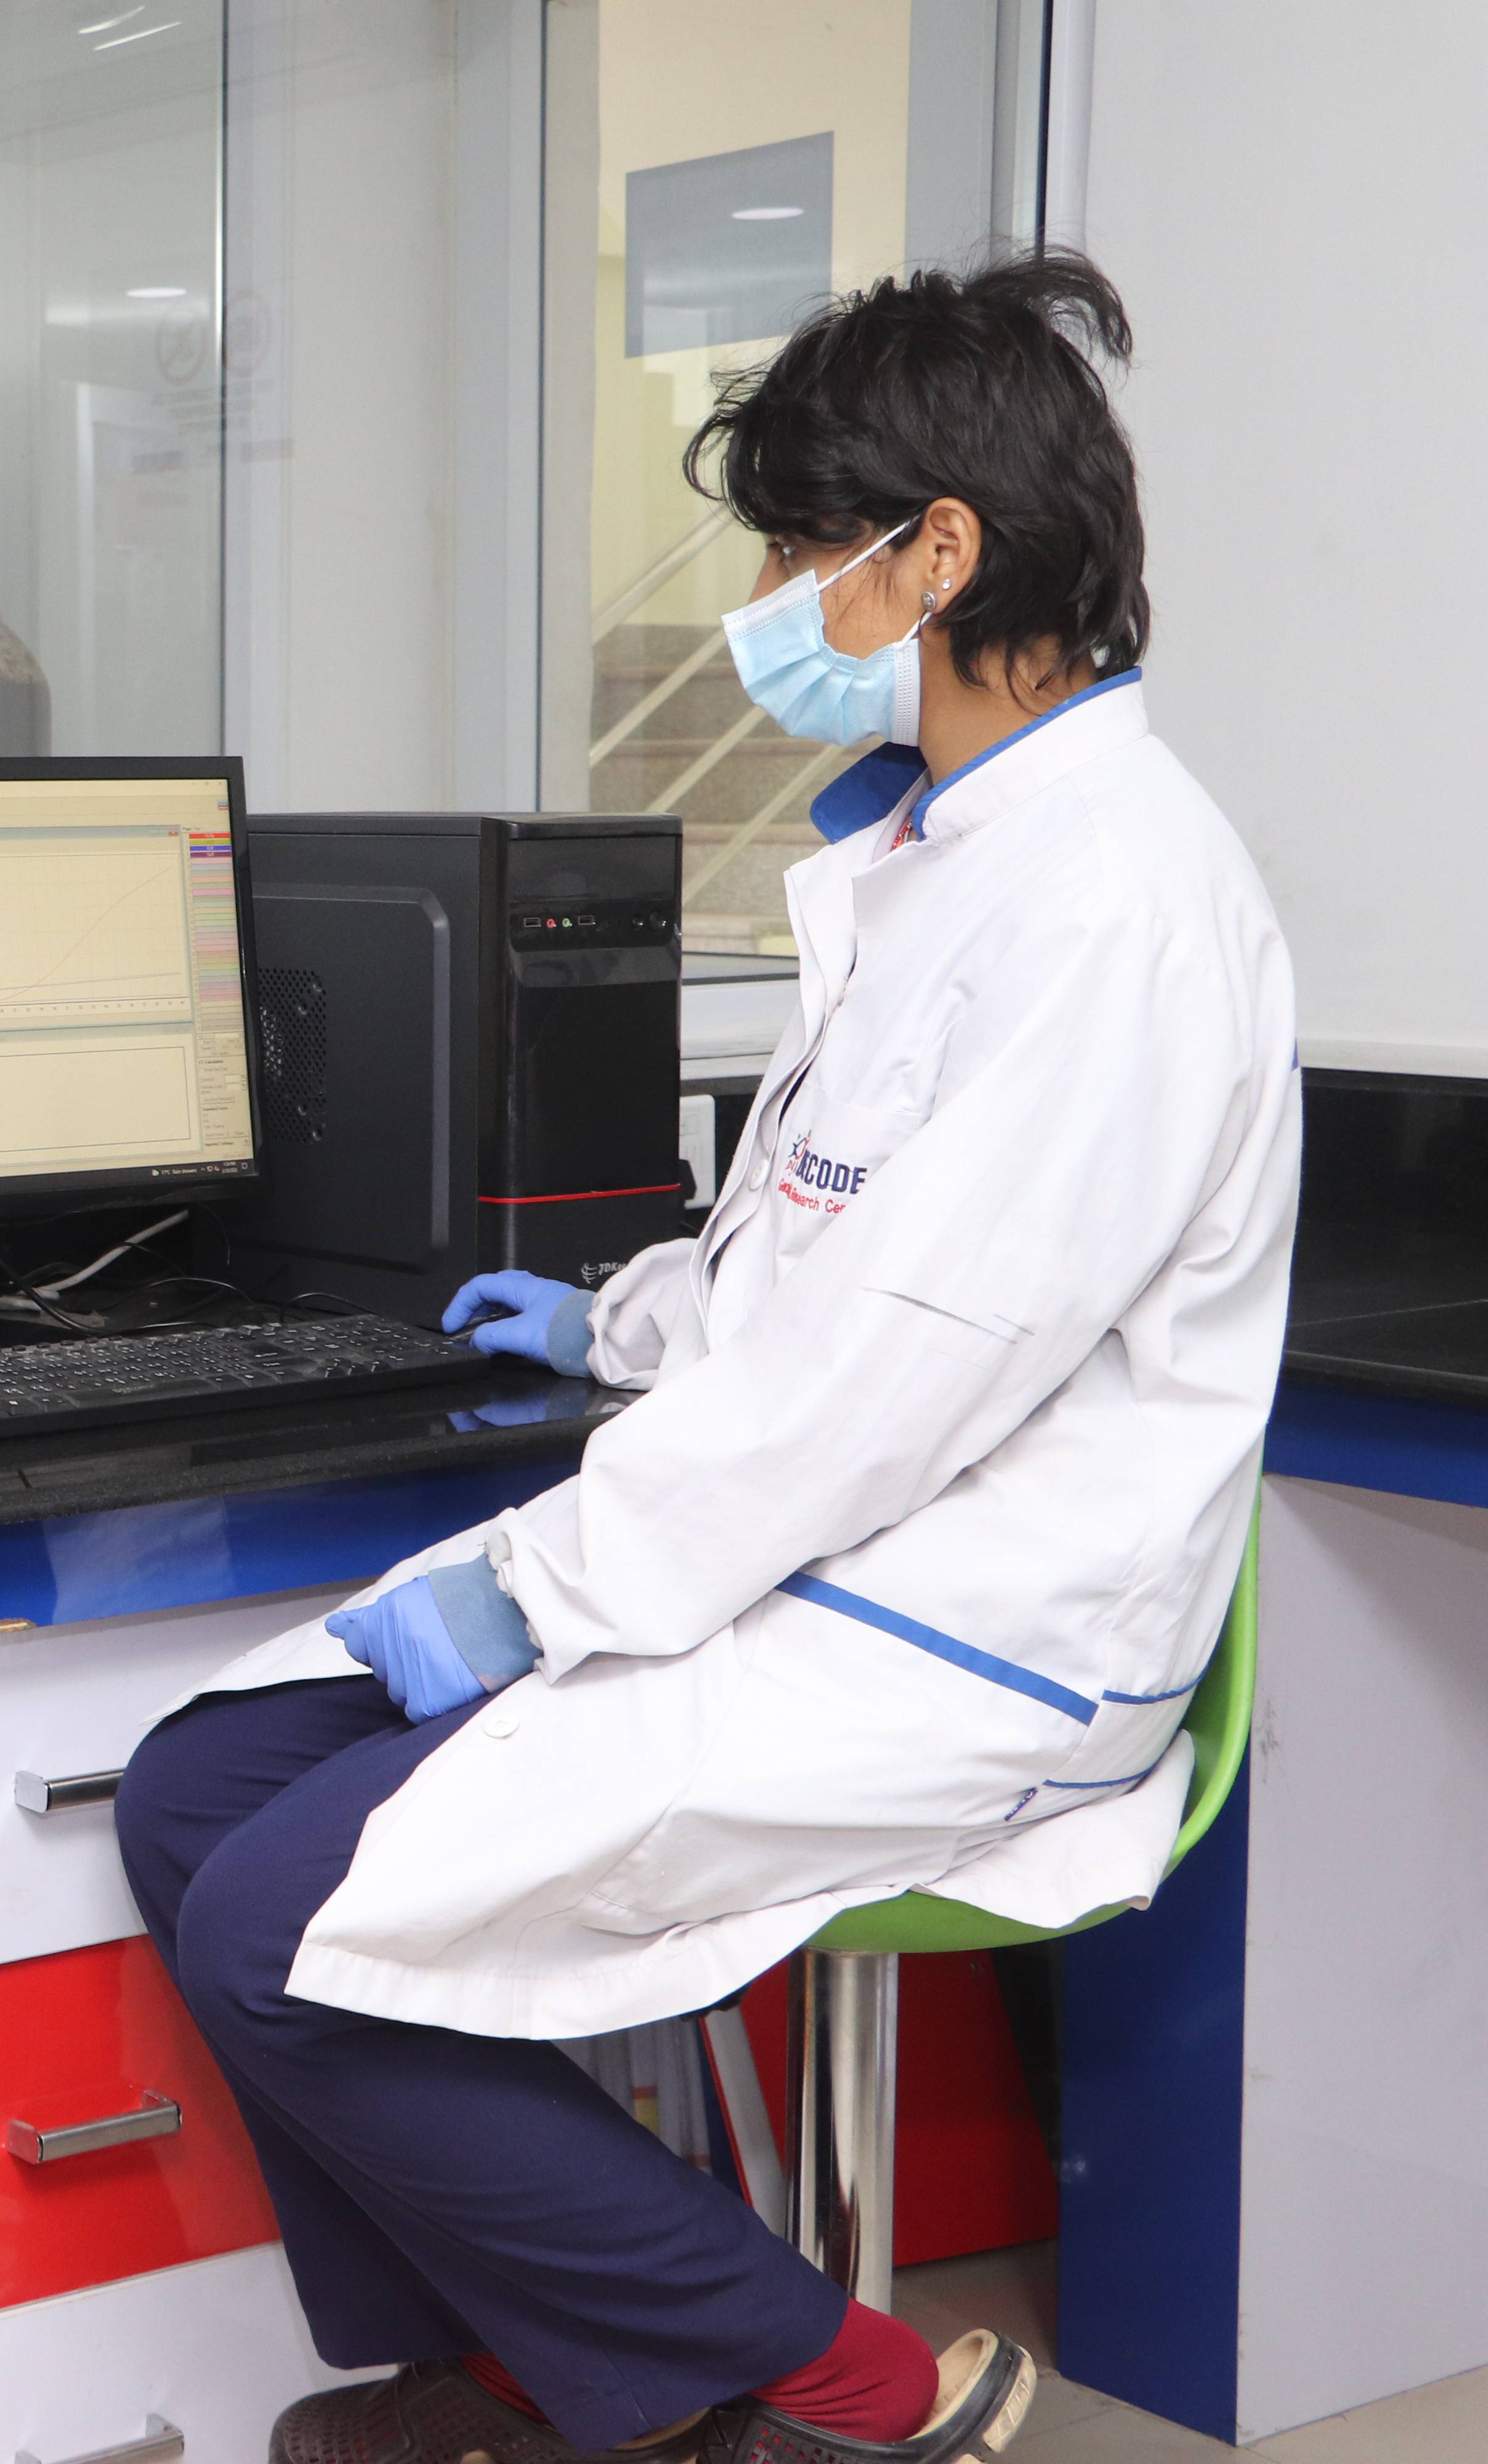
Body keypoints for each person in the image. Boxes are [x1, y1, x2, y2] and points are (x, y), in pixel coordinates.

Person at [118, 251, 1296, 2464]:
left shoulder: (1115, 905)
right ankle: (526, 2381)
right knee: (195, 1797)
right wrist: (628, 1317)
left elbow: (877, 1390)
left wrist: (533, 1595)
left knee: (287, 1921)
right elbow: (831, 1258)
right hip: (809, 1531)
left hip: (962, 1627)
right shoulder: (941, 857)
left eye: (791, 552)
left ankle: (859, 2393)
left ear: (937, 555)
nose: (765, 607)